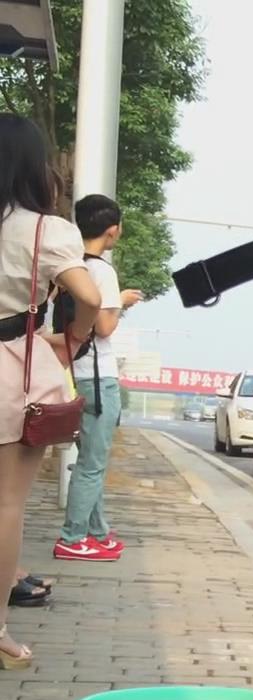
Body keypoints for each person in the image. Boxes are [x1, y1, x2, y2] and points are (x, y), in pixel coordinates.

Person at [0, 115, 102, 671]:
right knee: (6, 504)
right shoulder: (44, 230)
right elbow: (88, 296)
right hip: (11, 365)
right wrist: (76, 337)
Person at [52, 195, 141, 564]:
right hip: (99, 378)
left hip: (75, 373)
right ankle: (73, 538)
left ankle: (97, 533)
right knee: (92, 464)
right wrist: (121, 302)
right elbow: (103, 327)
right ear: (113, 230)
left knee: (91, 459)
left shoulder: (68, 266)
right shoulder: (102, 272)